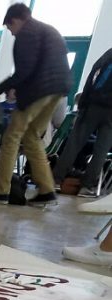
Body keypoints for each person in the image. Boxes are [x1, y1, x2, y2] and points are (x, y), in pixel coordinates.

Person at [0, 3, 72, 207]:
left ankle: (0, 191)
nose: (11, 33)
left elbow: (24, 70)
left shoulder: (26, 34)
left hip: (38, 91)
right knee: (32, 136)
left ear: (16, 20)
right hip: (58, 92)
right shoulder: (49, 30)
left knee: (11, 137)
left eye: (10, 28)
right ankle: (46, 191)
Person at [52, 48, 112, 199]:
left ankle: (56, 180)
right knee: (101, 150)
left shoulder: (110, 53)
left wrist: (84, 99)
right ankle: (87, 187)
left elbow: (95, 72)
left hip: (94, 104)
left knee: (74, 143)